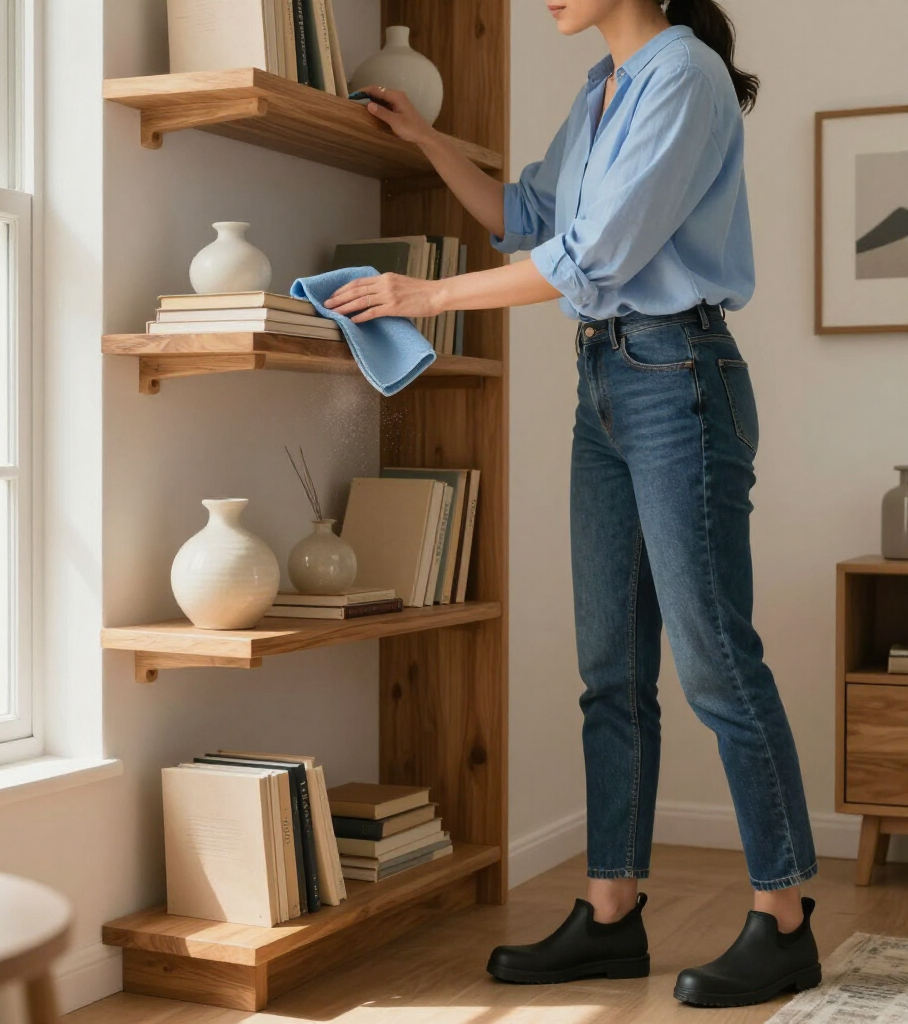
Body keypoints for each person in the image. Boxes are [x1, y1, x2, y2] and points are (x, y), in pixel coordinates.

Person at [324, 0, 822, 1009]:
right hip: (607, 384)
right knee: (609, 670)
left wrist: (424, 297)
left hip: (677, 378)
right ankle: (609, 911)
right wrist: (422, 140)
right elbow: (526, 218)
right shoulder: (602, 90)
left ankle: (785, 917)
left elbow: (591, 260)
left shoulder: (681, 76)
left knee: (715, 657)